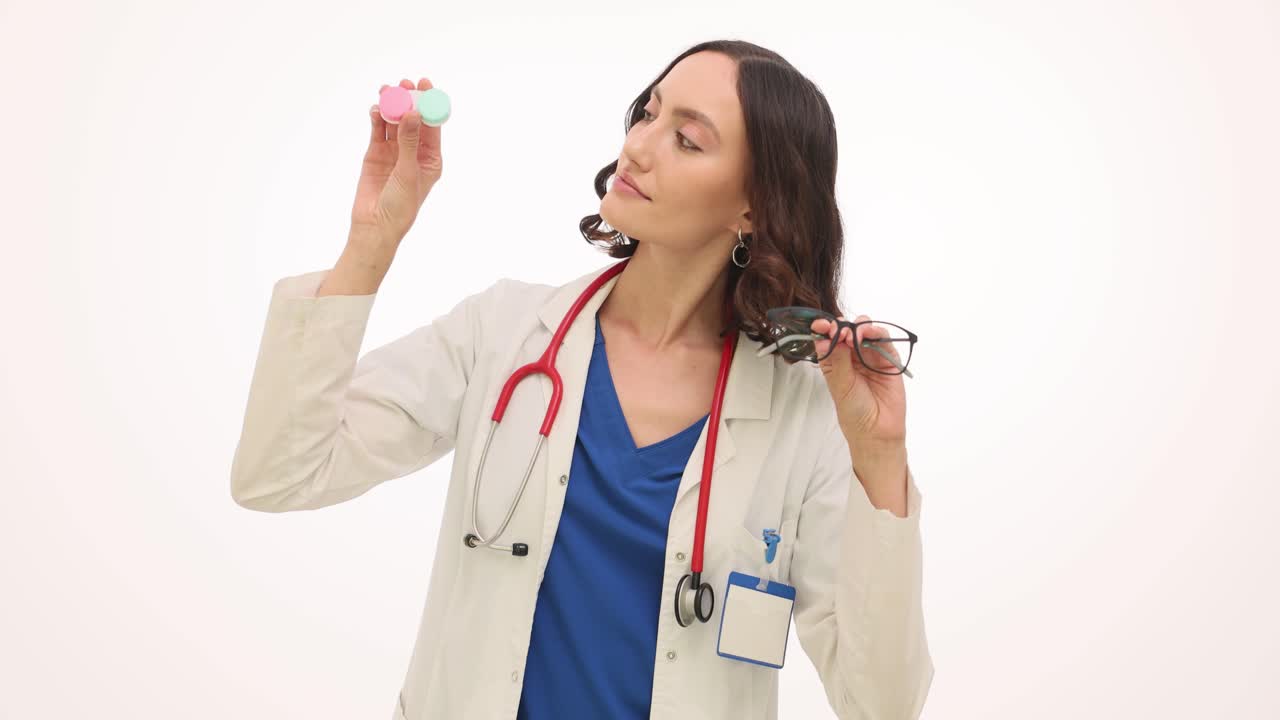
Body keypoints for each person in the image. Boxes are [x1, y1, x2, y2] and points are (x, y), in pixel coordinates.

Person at [231, 39, 933, 720]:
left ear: (752, 207)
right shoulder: (503, 334)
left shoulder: (805, 416)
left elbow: (881, 705)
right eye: (647, 113)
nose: (639, 146)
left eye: (687, 139)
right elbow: (281, 475)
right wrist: (369, 245)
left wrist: (879, 460)